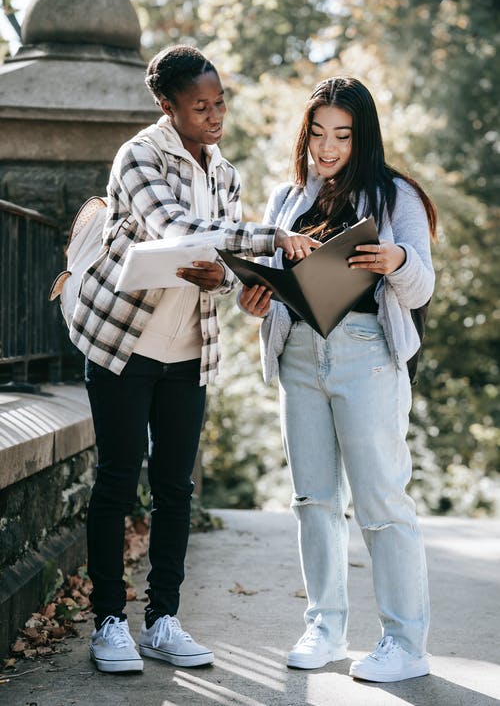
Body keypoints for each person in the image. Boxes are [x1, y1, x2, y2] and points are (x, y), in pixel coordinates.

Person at [69, 45, 316, 674]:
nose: (214, 116)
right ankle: (107, 623)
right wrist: (274, 237)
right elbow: (173, 228)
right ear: (167, 106)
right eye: (200, 106)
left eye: (220, 102)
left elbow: (220, 267)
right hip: (123, 343)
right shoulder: (139, 157)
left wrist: (224, 280)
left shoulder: (226, 174)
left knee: (176, 487)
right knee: (119, 480)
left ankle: (162, 621)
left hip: (189, 352)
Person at [239, 76, 437, 683]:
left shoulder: (394, 194)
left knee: (382, 501)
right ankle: (324, 629)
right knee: (313, 500)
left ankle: (405, 643)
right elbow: (277, 286)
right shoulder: (285, 199)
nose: (328, 148)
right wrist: (259, 300)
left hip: (365, 354)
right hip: (299, 355)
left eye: (342, 136)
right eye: (319, 133)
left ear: (363, 138)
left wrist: (397, 261)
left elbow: (423, 284)